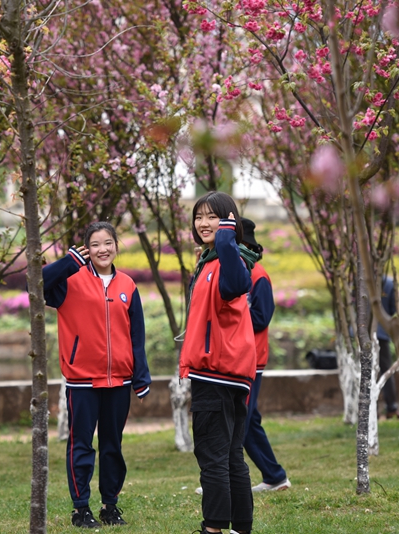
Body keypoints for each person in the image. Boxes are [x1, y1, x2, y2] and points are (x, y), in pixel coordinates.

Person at [43, 221, 151, 529]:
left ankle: (109, 506)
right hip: (82, 381)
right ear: (86, 250)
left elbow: (137, 336)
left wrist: (141, 377)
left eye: (108, 243)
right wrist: (69, 262)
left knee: (112, 445)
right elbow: (35, 284)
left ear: (116, 245)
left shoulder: (128, 285)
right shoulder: (69, 280)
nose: (102, 249)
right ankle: (81, 509)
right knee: (81, 445)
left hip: (119, 381)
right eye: (95, 244)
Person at [180, 192, 257, 534]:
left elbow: (239, 284)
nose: (203, 223)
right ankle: (241, 528)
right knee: (230, 456)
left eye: (212, 217)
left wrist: (226, 237)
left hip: (216, 372)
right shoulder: (210, 261)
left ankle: (212, 529)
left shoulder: (228, 260)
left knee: (213, 457)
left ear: (228, 222)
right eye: (199, 217)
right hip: (227, 372)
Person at [239, 217, 291, 492]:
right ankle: (274, 475)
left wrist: (229, 317)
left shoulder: (258, 277)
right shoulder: (233, 272)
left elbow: (261, 317)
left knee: (241, 420)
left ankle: (223, 479)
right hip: (236, 358)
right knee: (249, 420)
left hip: (251, 360)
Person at [379, 276, 399, 419]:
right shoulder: (388, 283)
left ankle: (371, 410)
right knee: (386, 371)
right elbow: (394, 310)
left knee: (366, 372)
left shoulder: (359, 280)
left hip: (363, 333)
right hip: (381, 333)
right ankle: (391, 408)